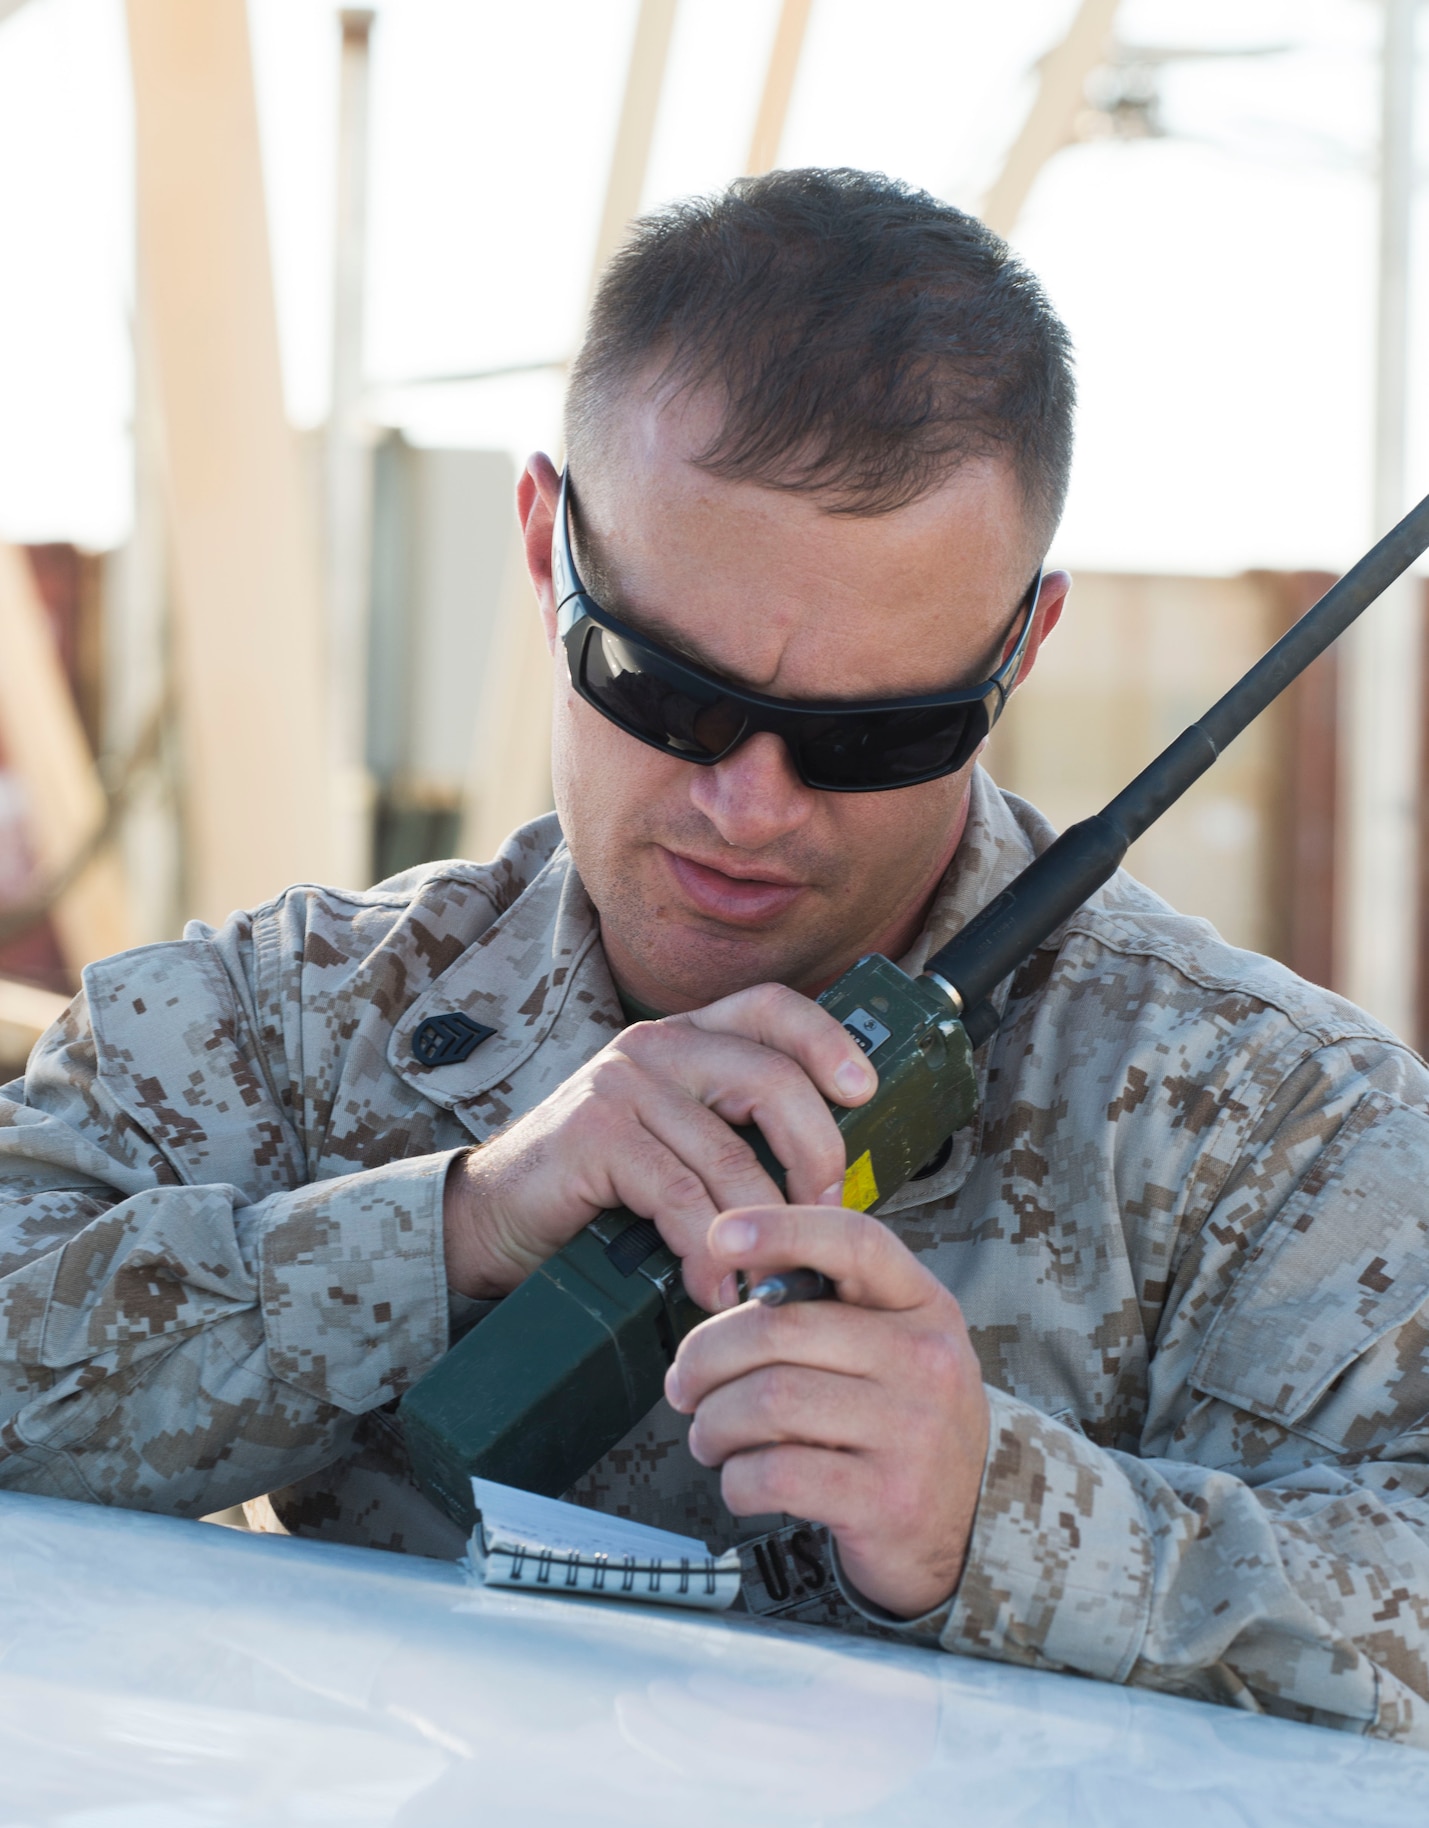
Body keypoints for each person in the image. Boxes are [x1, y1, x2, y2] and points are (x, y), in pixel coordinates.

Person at [2, 169, 1427, 1744]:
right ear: (547, 541)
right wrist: (446, 1232)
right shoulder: (274, 1028)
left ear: (1019, 648)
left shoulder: (1278, 1137)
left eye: (877, 734)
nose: (746, 808)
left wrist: (1007, 1524)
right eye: (664, 691)